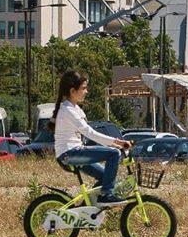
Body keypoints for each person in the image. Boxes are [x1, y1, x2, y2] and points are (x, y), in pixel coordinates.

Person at [52, 70, 131, 207]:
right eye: (83, 88)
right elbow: (90, 132)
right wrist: (116, 143)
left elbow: (89, 134)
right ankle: (106, 195)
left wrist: (115, 143)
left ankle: (85, 212)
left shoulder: (75, 109)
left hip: (74, 152)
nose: (86, 91)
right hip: (69, 154)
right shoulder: (68, 110)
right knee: (113, 154)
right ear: (72, 91)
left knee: (105, 176)